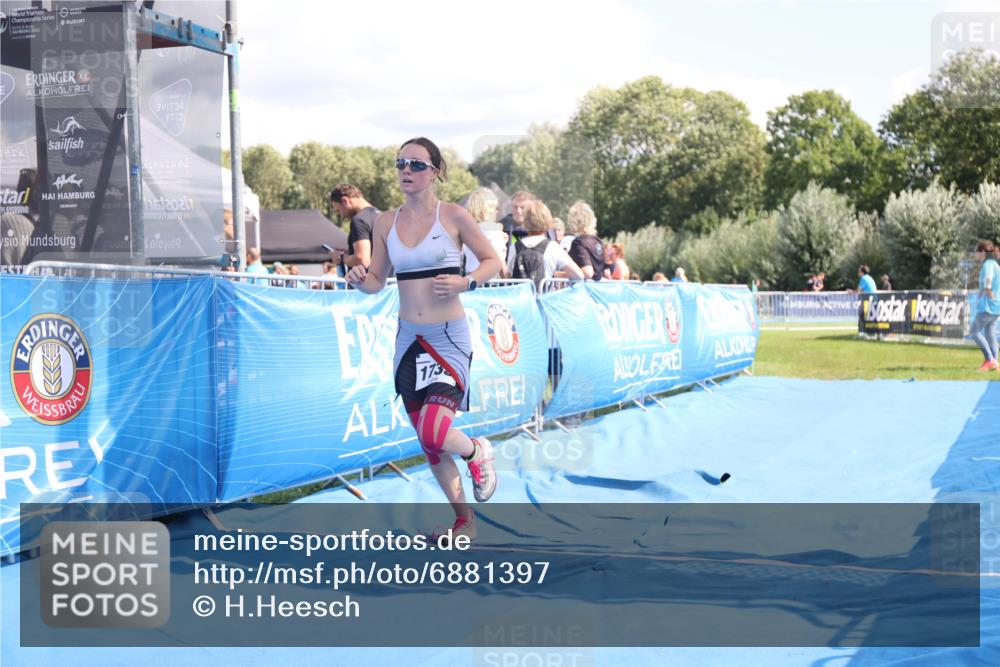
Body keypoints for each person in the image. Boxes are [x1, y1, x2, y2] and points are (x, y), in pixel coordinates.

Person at [345, 137, 503, 541]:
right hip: (408, 342)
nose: (406, 171)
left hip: (448, 338)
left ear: (435, 172)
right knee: (430, 446)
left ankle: (475, 450)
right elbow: (377, 282)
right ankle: (463, 521)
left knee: (436, 432)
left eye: (416, 164)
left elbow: (493, 262)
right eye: (401, 163)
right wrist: (359, 279)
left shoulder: (453, 216)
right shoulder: (384, 222)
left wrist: (466, 281)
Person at [508, 199, 584, 288]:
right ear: (547, 220)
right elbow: (579, 275)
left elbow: (509, 275)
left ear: (525, 221)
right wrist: (557, 276)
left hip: (522, 299)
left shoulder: (515, 246)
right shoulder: (553, 247)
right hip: (544, 298)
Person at [329, 184, 381, 275]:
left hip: (365, 285)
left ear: (345, 201)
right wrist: (349, 253)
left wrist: (340, 257)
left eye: (339, 210)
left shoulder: (359, 220)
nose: (341, 215)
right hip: (385, 283)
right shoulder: (382, 216)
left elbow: (362, 260)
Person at [462, 187, 509, 277]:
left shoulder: (467, 230)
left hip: (470, 278)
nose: (497, 211)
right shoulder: (494, 230)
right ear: (487, 210)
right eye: (495, 208)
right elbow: (499, 261)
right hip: (490, 280)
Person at [971, 240, 1000, 371]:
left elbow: (988, 278)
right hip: (996, 305)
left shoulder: (988, 264)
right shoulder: (995, 264)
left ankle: (990, 359)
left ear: (982, 252)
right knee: (990, 334)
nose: (975, 254)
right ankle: (995, 363)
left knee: (974, 332)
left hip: (988, 306)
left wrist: (987, 289)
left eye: (976, 251)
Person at [566, 201, 606, 281]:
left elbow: (587, 272)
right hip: (596, 290)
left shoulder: (579, 242)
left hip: (583, 290)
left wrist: (557, 274)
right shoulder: (598, 241)